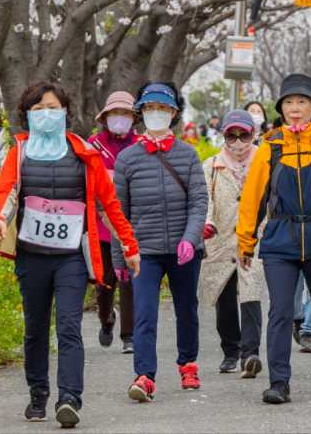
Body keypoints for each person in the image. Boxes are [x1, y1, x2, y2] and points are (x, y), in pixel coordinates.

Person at [0, 81, 141, 428]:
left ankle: (69, 398)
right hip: (32, 255)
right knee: (35, 328)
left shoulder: (85, 153)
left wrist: (129, 246)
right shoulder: (20, 151)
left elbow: (109, 205)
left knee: (69, 326)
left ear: (66, 112)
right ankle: (38, 394)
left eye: (52, 108)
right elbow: (5, 189)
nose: (46, 115)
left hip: (70, 255)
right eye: (38, 110)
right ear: (26, 115)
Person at [236, 74, 311, 405]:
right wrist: (245, 242)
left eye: (302, 102)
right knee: (280, 311)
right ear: (281, 108)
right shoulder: (270, 147)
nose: (295, 109)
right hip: (280, 240)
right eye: (289, 103)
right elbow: (252, 199)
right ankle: (279, 381)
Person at [113, 82, 208, 403]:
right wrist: (119, 258)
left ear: (174, 114)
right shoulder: (127, 159)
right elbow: (118, 214)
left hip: (184, 251)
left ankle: (188, 364)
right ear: (141, 114)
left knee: (187, 309)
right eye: (151, 109)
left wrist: (190, 239)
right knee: (144, 313)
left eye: (163, 110)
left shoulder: (188, 154)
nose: (157, 115)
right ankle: (144, 375)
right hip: (144, 252)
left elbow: (199, 202)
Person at [200, 111, 265, 378]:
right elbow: (204, 198)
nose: (238, 142)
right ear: (224, 136)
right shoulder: (211, 165)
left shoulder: (264, 161)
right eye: (231, 136)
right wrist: (205, 223)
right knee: (224, 296)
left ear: (254, 134)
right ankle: (230, 350)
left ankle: (250, 353)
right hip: (220, 236)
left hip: (255, 237)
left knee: (251, 294)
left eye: (244, 135)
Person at [89, 91, 140, 354]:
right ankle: (106, 319)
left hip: (131, 223)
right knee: (106, 279)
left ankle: (129, 335)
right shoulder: (93, 145)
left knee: (130, 278)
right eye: (114, 114)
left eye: (125, 114)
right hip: (101, 225)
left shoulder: (141, 145)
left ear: (133, 117)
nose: (120, 118)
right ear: (105, 117)